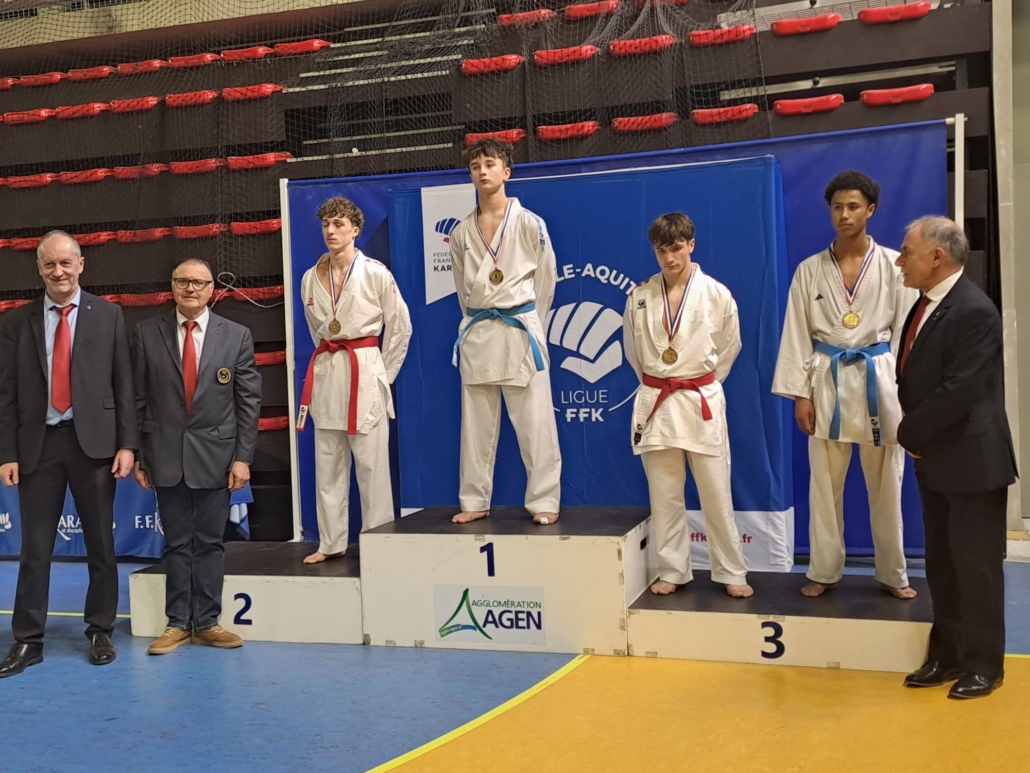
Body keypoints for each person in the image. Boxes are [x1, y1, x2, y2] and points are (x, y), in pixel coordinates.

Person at [772, 170, 919, 600]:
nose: (844, 215)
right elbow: (796, 333)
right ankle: (823, 570)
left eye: (853, 206)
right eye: (837, 207)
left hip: (879, 380)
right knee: (823, 485)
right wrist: (801, 395)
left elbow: (909, 332)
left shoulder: (893, 265)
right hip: (827, 381)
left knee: (887, 486)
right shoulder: (810, 270)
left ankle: (893, 573)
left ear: (870, 210)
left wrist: (906, 394)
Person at [0, 231, 136, 678]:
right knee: (35, 549)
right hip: (37, 447)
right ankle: (28, 640)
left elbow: (124, 384)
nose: (58, 271)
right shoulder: (16, 322)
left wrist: (127, 444)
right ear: (39, 269)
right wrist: (6, 452)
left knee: (101, 544)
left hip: (93, 445)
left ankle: (100, 630)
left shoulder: (109, 315)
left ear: (81, 264)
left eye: (65, 263)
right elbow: (6, 394)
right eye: (49, 264)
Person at [895, 217, 1017, 700]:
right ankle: (946, 655)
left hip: (972, 460)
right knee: (942, 565)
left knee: (976, 567)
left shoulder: (974, 310)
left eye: (907, 252)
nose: (900, 261)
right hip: (937, 457)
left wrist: (909, 431)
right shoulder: (927, 303)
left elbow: (960, 390)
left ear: (937, 257)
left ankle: (984, 665)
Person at [132, 259, 261, 655]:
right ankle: (176, 624)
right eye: (183, 281)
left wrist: (243, 458)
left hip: (217, 457)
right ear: (172, 286)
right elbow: (137, 399)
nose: (191, 288)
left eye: (199, 282)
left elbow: (248, 402)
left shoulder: (236, 335)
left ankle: (206, 623)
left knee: (209, 543)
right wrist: (139, 455)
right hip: (164, 454)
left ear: (211, 290)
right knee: (175, 543)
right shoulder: (145, 333)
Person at [623, 213, 752, 598]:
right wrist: (662, 381)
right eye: (661, 251)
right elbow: (633, 353)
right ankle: (673, 569)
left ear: (691, 245)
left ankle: (731, 570)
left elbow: (729, 348)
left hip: (699, 399)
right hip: (657, 401)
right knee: (664, 495)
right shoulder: (639, 296)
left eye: (676, 248)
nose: (669, 258)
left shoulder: (716, 294)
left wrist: (699, 382)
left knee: (716, 492)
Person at [448, 138, 561, 525]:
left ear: (506, 172)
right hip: (479, 329)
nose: (482, 171)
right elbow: (463, 290)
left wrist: (529, 319)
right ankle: (474, 500)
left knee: (535, 423)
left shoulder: (530, 223)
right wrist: (480, 316)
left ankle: (544, 499)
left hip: (520, 328)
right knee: (475, 426)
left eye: (490, 164)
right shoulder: (461, 233)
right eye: (475, 166)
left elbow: (546, 281)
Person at [296, 197, 412, 564]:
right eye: (326, 225)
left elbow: (400, 327)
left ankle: (380, 545)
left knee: (372, 467)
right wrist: (329, 360)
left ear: (355, 230)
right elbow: (316, 331)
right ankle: (331, 542)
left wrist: (382, 375)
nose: (331, 231)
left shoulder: (375, 273)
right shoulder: (309, 277)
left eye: (339, 224)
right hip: (329, 370)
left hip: (365, 369)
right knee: (328, 466)